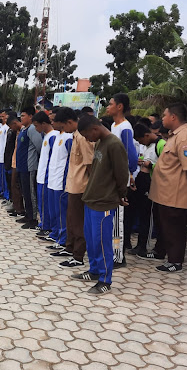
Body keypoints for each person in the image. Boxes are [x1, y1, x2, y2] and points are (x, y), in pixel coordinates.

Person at [73, 115, 130, 294]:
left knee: (103, 242)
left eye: (86, 135)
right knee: (91, 240)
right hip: (91, 198)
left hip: (104, 201)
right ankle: (95, 270)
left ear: (94, 129)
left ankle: (105, 280)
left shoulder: (114, 144)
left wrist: (121, 195)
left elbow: (122, 175)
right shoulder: (99, 142)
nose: (87, 139)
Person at [147, 103, 187, 272]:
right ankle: (164, 254)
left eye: (164, 115)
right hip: (166, 192)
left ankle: (175, 261)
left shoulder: (185, 137)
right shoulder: (175, 135)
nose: (162, 118)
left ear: (173, 117)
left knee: (175, 228)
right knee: (166, 226)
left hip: (176, 193)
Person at [58, 110, 94, 268]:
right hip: (73, 185)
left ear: (70, 122)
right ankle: (70, 248)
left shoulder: (83, 138)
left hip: (81, 186)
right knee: (71, 220)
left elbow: (90, 163)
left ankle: (78, 256)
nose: (62, 130)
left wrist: (92, 186)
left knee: (78, 223)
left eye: (62, 126)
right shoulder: (75, 136)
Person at [105, 93, 137, 268]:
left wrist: (128, 173)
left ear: (120, 107)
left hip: (119, 179)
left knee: (118, 221)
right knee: (112, 219)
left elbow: (130, 156)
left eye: (110, 104)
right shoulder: (113, 125)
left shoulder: (125, 127)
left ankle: (118, 256)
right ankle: (113, 252)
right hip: (112, 178)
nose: (107, 107)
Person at [132, 123, 166, 256]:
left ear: (146, 135)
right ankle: (140, 244)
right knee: (142, 215)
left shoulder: (161, 144)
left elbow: (167, 166)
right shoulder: (148, 146)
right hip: (143, 181)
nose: (141, 143)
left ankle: (146, 246)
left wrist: (150, 165)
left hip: (154, 184)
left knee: (149, 216)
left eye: (141, 140)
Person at [45, 108, 73, 247]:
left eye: (53, 121)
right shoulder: (58, 136)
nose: (52, 123)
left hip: (61, 181)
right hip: (52, 179)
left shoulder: (68, 137)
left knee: (61, 212)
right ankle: (55, 234)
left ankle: (63, 240)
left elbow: (70, 160)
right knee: (54, 211)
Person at [35, 112, 58, 237]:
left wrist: (48, 175)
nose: (36, 129)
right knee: (42, 202)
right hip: (41, 175)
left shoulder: (53, 136)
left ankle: (47, 226)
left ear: (44, 124)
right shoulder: (47, 136)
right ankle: (44, 223)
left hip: (47, 177)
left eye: (37, 126)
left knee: (46, 204)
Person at [25, 107, 43, 226]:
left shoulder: (32, 129)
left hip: (32, 166)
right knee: (26, 192)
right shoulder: (26, 129)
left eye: (23, 115)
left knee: (31, 193)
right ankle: (28, 215)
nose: (20, 118)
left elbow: (39, 147)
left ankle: (33, 218)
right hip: (26, 166)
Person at [4, 114, 24, 217]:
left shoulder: (25, 132)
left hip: (21, 164)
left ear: (14, 123)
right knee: (14, 186)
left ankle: (20, 210)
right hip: (14, 162)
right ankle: (17, 208)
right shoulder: (16, 133)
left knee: (18, 187)